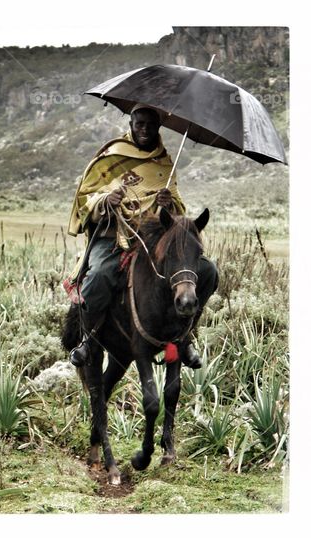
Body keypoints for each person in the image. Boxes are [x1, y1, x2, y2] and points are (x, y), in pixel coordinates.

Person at [65, 105, 218, 368]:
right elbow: (84, 198)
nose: (145, 129)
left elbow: (178, 214)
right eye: (139, 124)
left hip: (152, 240)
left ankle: (185, 335)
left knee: (207, 271)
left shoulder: (164, 164)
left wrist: (167, 204)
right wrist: (105, 200)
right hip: (113, 236)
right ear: (131, 124)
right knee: (101, 274)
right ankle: (88, 338)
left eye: (150, 124)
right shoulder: (110, 157)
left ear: (158, 127)